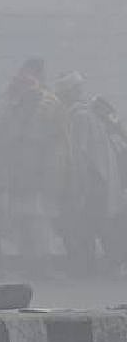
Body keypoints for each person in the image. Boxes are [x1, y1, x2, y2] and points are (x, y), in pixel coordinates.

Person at [54, 72, 121, 275]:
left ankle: (92, 265)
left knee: (89, 224)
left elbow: (78, 154)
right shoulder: (90, 113)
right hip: (102, 177)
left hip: (92, 180)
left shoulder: (79, 116)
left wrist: (77, 185)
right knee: (99, 222)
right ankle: (107, 263)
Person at [5, 70, 68, 275]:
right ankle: (31, 261)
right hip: (23, 176)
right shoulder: (19, 110)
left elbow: (54, 147)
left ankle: (43, 262)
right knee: (25, 221)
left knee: (39, 222)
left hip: (40, 177)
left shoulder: (48, 109)